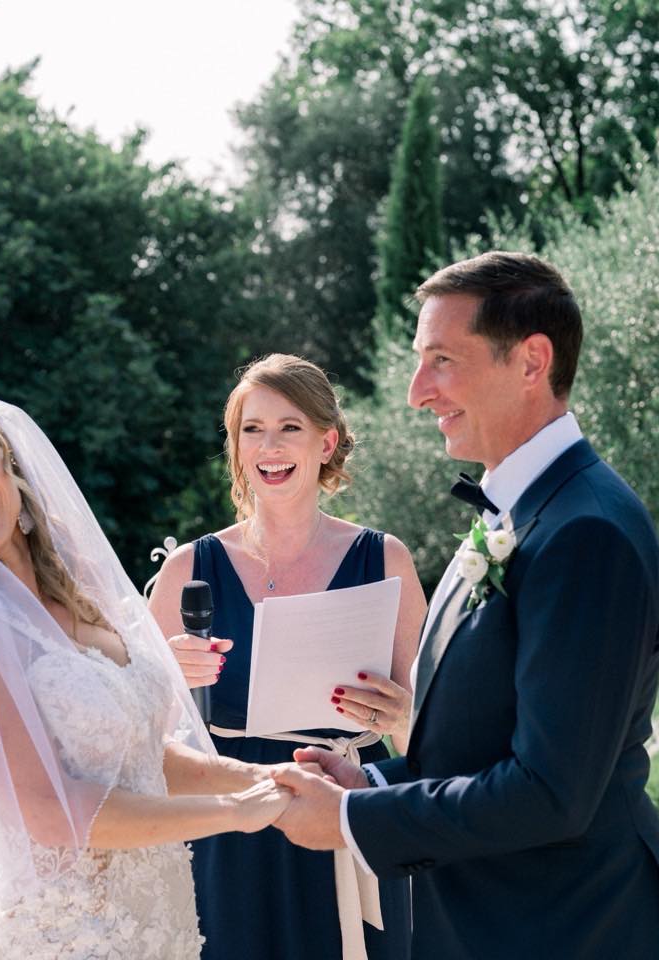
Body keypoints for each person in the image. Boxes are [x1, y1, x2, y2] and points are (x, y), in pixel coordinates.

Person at [271, 254, 659, 959]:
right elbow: (484, 739)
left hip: (564, 930)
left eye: (442, 360)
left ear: (531, 362)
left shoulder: (586, 531)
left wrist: (350, 819)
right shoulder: (525, 513)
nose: (416, 392)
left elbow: (550, 792)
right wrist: (369, 781)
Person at [0, 387, 306, 960]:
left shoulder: (77, 581)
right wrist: (236, 813)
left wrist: (258, 776)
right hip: (70, 939)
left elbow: (140, 756)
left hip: (163, 929)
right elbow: (47, 810)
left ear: (9, 461)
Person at [149, 354, 426, 960]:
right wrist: (165, 676)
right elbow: (136, 738)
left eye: (289, 427)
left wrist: (399, 715)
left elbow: (433, 736)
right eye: (252, 429)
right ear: (236, 446)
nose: (269, 447)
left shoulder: (386, 560)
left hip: (348, 808)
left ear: (326, 442)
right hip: (227, 823)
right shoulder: (187, 569)